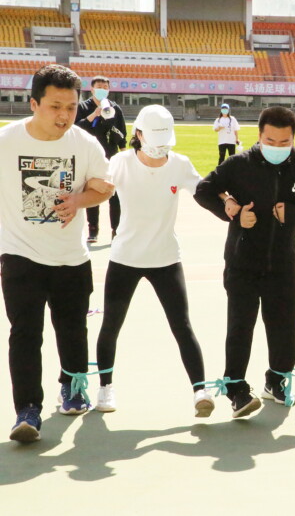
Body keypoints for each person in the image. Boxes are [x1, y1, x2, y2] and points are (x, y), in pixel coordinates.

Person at [194, 106, 295, 418]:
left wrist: (294, 213)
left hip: (282, 263)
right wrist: (230, 209)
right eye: (270, 141)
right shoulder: (239, 164)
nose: (277, 147)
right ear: (259, 136)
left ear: (293, 138)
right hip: (241, 262)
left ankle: (277, 381)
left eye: (285, 142)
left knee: (284, 326)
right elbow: (204, 190)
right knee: (240, 326)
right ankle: (236, 388)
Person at [1, 64, 113, 443]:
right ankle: (27, 410)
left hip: (71, 257)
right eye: (55, 106)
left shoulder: (85, 144)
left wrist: (80, 199)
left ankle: (73, 387)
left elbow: (104, 187)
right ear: (34, 104)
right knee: (25, 334)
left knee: (72, 329)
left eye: (71, 106)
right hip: (20, 255)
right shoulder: (7, 141)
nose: (64, 115)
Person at [93, 105, 215, 416]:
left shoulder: (180, 164)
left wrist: (229, 201)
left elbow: (205, 192)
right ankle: (105, 387)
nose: (160, 148)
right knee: (111, 324)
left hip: (165, 258)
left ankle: (200, 391)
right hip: (125, 258)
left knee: (182, 325)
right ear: (138, 134)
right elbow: (96, 188)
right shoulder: (120, 162)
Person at [75, 75, 126, 243]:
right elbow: (76, 127)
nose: (102, 89)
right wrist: (94, 115)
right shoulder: (83, 106)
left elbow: (122, 132)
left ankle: (116, 231)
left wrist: (123, 152)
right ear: (92, 89)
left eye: (105, 87)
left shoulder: (114, 108)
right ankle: (93, 230)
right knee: (93, 191)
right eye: (99, 87)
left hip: (111, 155)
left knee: (114, 194)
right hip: (89, 155)